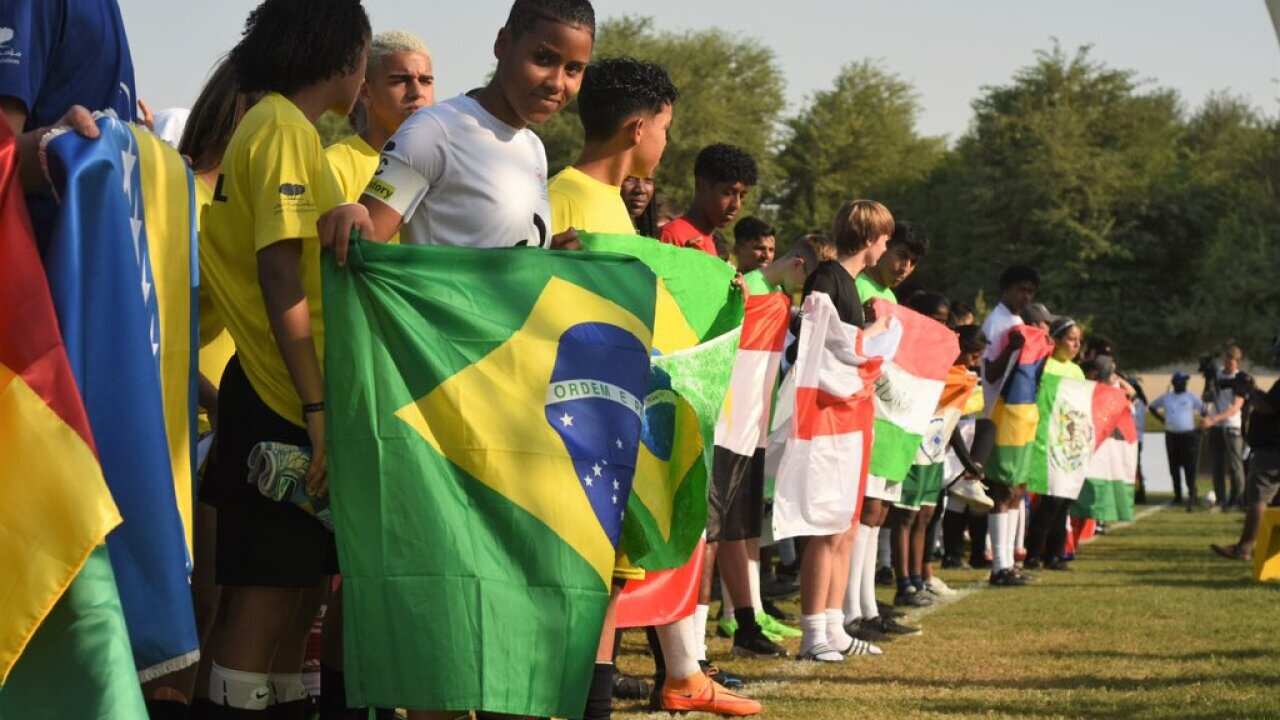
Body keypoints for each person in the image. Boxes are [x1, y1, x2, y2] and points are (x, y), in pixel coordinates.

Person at [548, 56, 756, 719]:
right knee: (584, 583)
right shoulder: (562, 196)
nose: (666, 142)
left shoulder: (613, 206)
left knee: (611, 580)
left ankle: (620, 695)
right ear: (639, 129)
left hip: (619, 423)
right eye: (666, 128)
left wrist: (711, 290)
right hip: (574, 425)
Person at [195, 2, 369, 719]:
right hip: (283, 396)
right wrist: (317, 408)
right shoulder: (281, 130)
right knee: (264, 600)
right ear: (343, 57)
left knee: (301, 600)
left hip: (295, 394)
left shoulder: (281, 128)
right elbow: (278, 275)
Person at [319, 0, 593, 255]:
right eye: (543, 58)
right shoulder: (432, 132)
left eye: (573, 69)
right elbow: (361, 254)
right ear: (503, 43)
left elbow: (496, 254)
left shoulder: (533, 147)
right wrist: (351, 222)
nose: (557, 83)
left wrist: (547, 255)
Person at [791, 199, 894, 663]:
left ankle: (834, 627)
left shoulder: (848, 284)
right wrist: (875, 332)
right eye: (885, 239)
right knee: (825, 525)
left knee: (846, 525)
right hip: (826, 418)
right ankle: (813, 632)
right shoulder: (826, 279)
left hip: (851, 418)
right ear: (870, 239)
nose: (886, 248)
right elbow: (819, 344)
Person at [845, 222, 930, 638]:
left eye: (912, 263)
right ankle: (850, 610)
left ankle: (866, 605)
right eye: (900, 256)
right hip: (861, 413)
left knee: (876, 511)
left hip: (888, 416)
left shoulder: (891, 298)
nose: (904, 268)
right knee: (862, 510)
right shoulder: (857, 287)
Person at [973, 264, 1040, 587]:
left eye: (1030, 292)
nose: (1025, 297)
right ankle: (999, 566)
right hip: (997, 413)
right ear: (1006, 289)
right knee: (1002, 489)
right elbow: (989, 372)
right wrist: (1013, 347)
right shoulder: (996, 323)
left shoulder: (1017, 322)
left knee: (1016, 489)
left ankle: (1010, 562)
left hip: (1018, 415)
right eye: (1021, 289)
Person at [327, 31, 433, 204]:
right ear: (365, 92)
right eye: (400, 80)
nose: (417, 92)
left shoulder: (449, 164)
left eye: (425, 81)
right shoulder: (333, 167)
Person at [1211, 332, 1280, 561]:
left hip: (1273, 451)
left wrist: (1250, 390)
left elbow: (1269, 407)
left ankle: (1244, 548)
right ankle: (1270, 553)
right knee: (1276, 503)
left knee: (1259, 498)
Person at [1023, 317, 1085, 570]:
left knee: (1064, 500)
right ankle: (1033, 554)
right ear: (1056, 340)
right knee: (1050, 501)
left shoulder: (1077, 371)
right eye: (1071, 339)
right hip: (1044, 440)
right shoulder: (1044, 366)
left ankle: (1055, 554)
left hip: (1068, 444)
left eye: (1079, 340)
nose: (1076, 345)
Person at [659, 143, 757, 257]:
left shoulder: (716, 245)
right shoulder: (672, 236)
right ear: (701, 186)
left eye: (742, 196)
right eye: (727, 193)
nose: (736, 205)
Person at [1149, 372, 1205, 509]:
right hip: (1172, 436)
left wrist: (1201, 426)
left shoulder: (1191, 397)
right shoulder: (1167, 397)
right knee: (1174, 467)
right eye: (1182, 381)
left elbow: (1204, 410)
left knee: (1189, 467)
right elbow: (1152, 407)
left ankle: (1192, 495)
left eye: (1185, 382)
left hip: (1188, 436)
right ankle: (1177, 495)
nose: (1185, 384)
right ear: (1175, 383)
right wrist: (1163, 420)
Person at [1203, 344, 1248, 510]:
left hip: (1232, 426)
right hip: (1216, 427)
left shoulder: (1241, 378)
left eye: (1232, 360)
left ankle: (1239, 500)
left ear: (1238, 362)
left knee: (1236, 467)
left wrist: (1214, 419)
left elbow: (1235, 407)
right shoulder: (1217, 375)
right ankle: (1221, 501)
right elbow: (1206, 397)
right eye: (1227, 359)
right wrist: (1208, 389)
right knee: (1217, 466)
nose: (1229, 363)